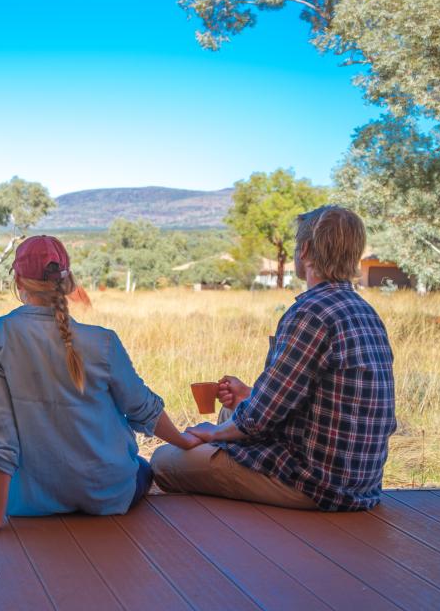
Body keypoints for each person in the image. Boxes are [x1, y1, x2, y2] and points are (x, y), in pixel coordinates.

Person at [0, 236, 200, 539]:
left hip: (29, 499)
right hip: (105, 493)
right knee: (142, 467)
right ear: (67, 280)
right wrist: (185, 442)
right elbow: (142, 407)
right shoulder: (102, 340)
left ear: (17, 279)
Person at [151, 205, 396, 511]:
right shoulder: (365, 312)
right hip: (362, 481)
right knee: (231, 414)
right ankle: (217, 452)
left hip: (314, 483)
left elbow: (259, 419)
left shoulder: (310, 312)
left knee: (162, 461)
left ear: (304, 251)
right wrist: (248, 396)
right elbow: (304, 399)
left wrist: (211, 433)